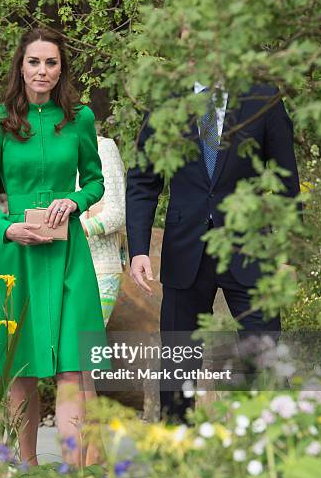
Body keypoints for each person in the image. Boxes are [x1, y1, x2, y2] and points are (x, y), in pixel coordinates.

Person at [0, 28, 107, 466]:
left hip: (68, 255)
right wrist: (6, 228)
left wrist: (76, 199)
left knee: (71, 367)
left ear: (61, 68)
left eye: (50, 63)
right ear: (20, 67)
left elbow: (97, 181)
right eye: (34, 62)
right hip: (17, 253)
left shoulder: (79, 117)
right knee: (18, 367)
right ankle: (26, 473)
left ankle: (74, 476)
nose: (42, 70)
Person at [126, 82, 300, 421]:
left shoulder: (262, 97)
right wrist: (139, 249)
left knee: (265, 357)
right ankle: (176, 451)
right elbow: (143, 181)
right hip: (185, 248)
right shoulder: (165, 99)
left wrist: (288, 253)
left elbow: (286, 181)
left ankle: (277, 453)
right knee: (178, 360)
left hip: (250, 249)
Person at [80, 134, 125, 465]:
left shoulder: (101, 146)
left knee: (83, 360)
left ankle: (93, 454)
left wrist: (76, 225)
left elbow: (116, 214)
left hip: (100, 269)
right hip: (64, 267)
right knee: (74, 363)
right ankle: (91, 452)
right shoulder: (47, 147)